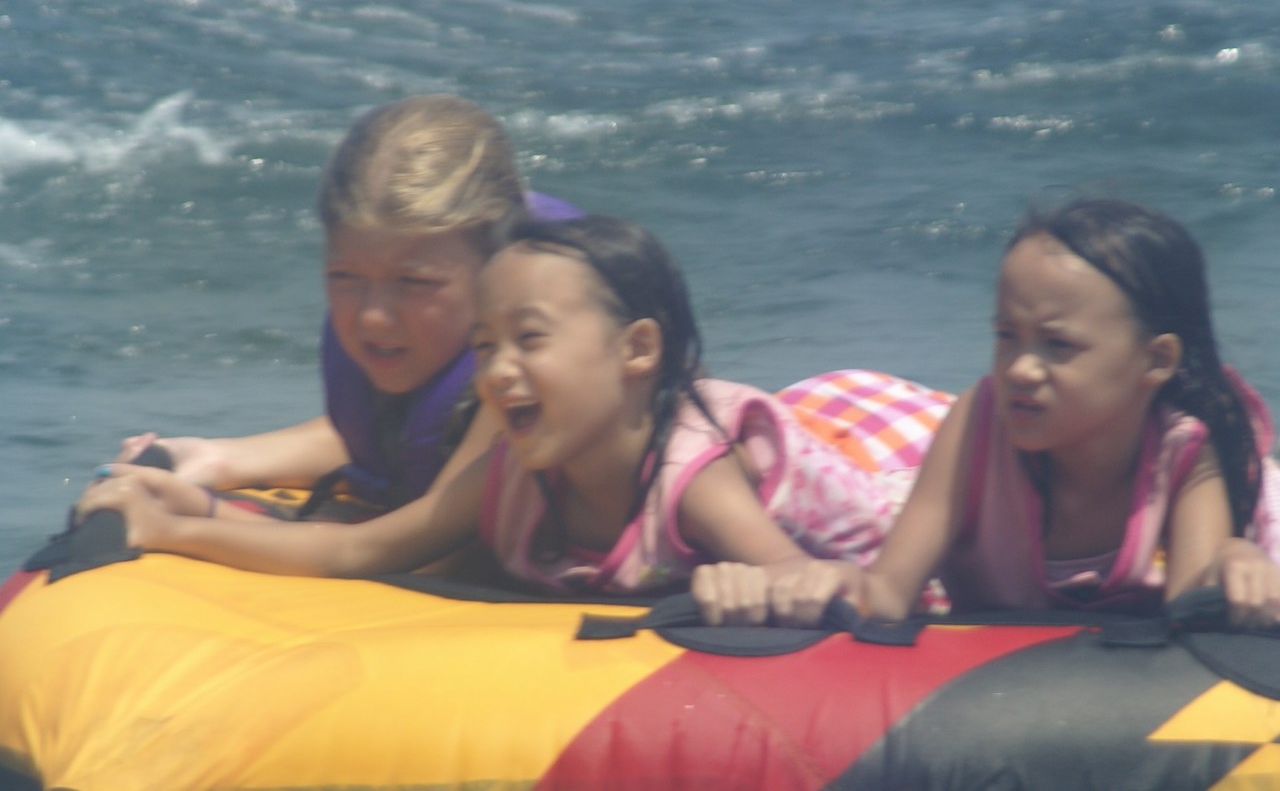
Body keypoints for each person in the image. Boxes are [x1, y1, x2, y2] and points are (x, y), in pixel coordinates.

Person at [77, 215, 911, 596]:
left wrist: (762, 590)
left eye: (529, 340)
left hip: (879, 482)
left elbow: (807, 580)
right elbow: (358, 551)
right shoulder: (514, 469)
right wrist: (185, 520)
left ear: (636, 350)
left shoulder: (691, 479)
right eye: (483, 346)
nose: (499, 372)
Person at [694, 198, 1280, 629]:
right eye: (1006, 336)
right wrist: (832, 583)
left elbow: (1189, 624)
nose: (1020, 369)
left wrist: (1235, 563)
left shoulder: (1185, 452)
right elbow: (889, 592)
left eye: (1058, 345)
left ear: (1156, 360)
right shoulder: (979, 422)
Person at [116, 94, 579, 523]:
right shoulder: (421, 332)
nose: (372, 316)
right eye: (345, 278)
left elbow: (423, 549)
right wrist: (220, 457)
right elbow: (395, 442)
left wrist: (195, 513)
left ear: (499, 266)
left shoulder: (533, 371)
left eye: (414, 282)